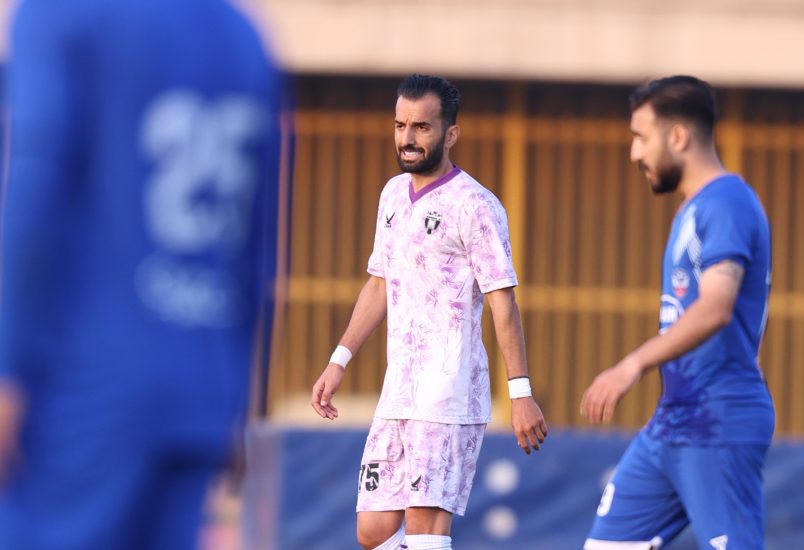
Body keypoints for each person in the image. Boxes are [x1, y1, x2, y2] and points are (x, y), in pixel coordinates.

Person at [0, 0, 280, 548]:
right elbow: (258, 241)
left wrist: (7, 366)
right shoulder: (243, 36)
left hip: (85, 395)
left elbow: (34, 189)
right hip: (203, 384)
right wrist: (244, 398)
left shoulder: (61, 12)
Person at [311, 74, 548, 550]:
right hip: (398, 392)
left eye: (421, 127)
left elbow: (503, 302)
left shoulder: (476, 205)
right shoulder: (392, 195)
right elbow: (378, 284)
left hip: (449, 395)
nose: (408, 138)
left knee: (425, 529)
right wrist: (339, 360)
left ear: (450, 133)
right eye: (400, 125)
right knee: (373, 531)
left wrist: (520, 392)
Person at [580, 76, 774, 550]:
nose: (634, 153)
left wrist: (632, 364)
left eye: (641, 137)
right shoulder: (693, 209)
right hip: (672, 422)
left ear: (679, 136)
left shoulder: (727, 203)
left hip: (718, 423)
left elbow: (716, 308)